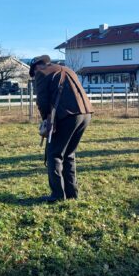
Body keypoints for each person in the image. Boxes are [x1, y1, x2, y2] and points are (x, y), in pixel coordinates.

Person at [30, 55, 93, 202]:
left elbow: (42, 101)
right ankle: (71, 193)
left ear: (37, 67)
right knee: (69, 154)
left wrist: (47, 121)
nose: (35, 75)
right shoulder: (67, 69)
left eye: (34, 72)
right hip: (85, 113)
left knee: (54, 154)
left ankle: (57, 195)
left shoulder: (42, 73)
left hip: (67, 115)